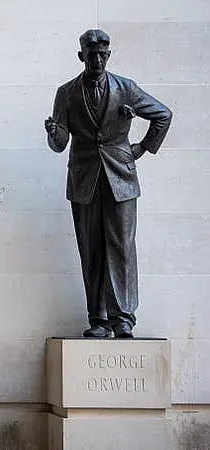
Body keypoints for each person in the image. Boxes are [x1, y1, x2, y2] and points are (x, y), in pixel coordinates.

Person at [44, 29, 172, 339]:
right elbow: (60, 144)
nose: (97, 59)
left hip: (121, 179)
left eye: (102, 54)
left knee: (122, 248)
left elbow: (163, 115)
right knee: (92, 249)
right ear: (81, 56)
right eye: (92, 55)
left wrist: (141, 149)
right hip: (85, 180)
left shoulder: (126, 89)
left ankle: (123, 318)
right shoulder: (67, 93)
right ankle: (98, 319)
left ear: (109, 55)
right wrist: (53, 132)